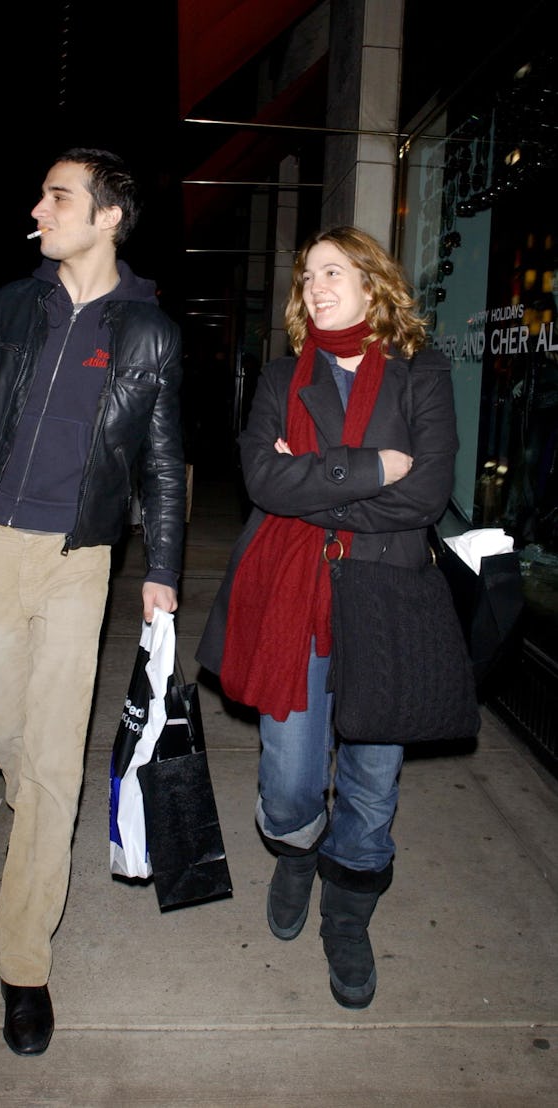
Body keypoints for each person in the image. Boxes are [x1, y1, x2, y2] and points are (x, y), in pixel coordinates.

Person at [0, 148, 187, 1056]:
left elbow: (160, 461)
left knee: (56, 759)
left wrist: (164, 566)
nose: (39, 207)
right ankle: (42, 813)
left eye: (57, 195)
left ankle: (23, 964)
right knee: (12, 739)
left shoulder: (149, 331)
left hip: (80, 559)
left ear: (107, 217)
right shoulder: (10, 309)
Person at [196, 226, 458, 1010]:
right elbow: (261, 479)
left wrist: (312, 483)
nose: (314, 285)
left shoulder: (422, 372)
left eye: (333, 271)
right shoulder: (282, 374)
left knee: (374, 780)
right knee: (289, 778)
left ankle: (347, 912)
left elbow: (429, 496)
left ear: (374, 284)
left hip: (388, 596)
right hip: (293, 595)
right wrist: (375, 466)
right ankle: (296, 849)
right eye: (306, 275)